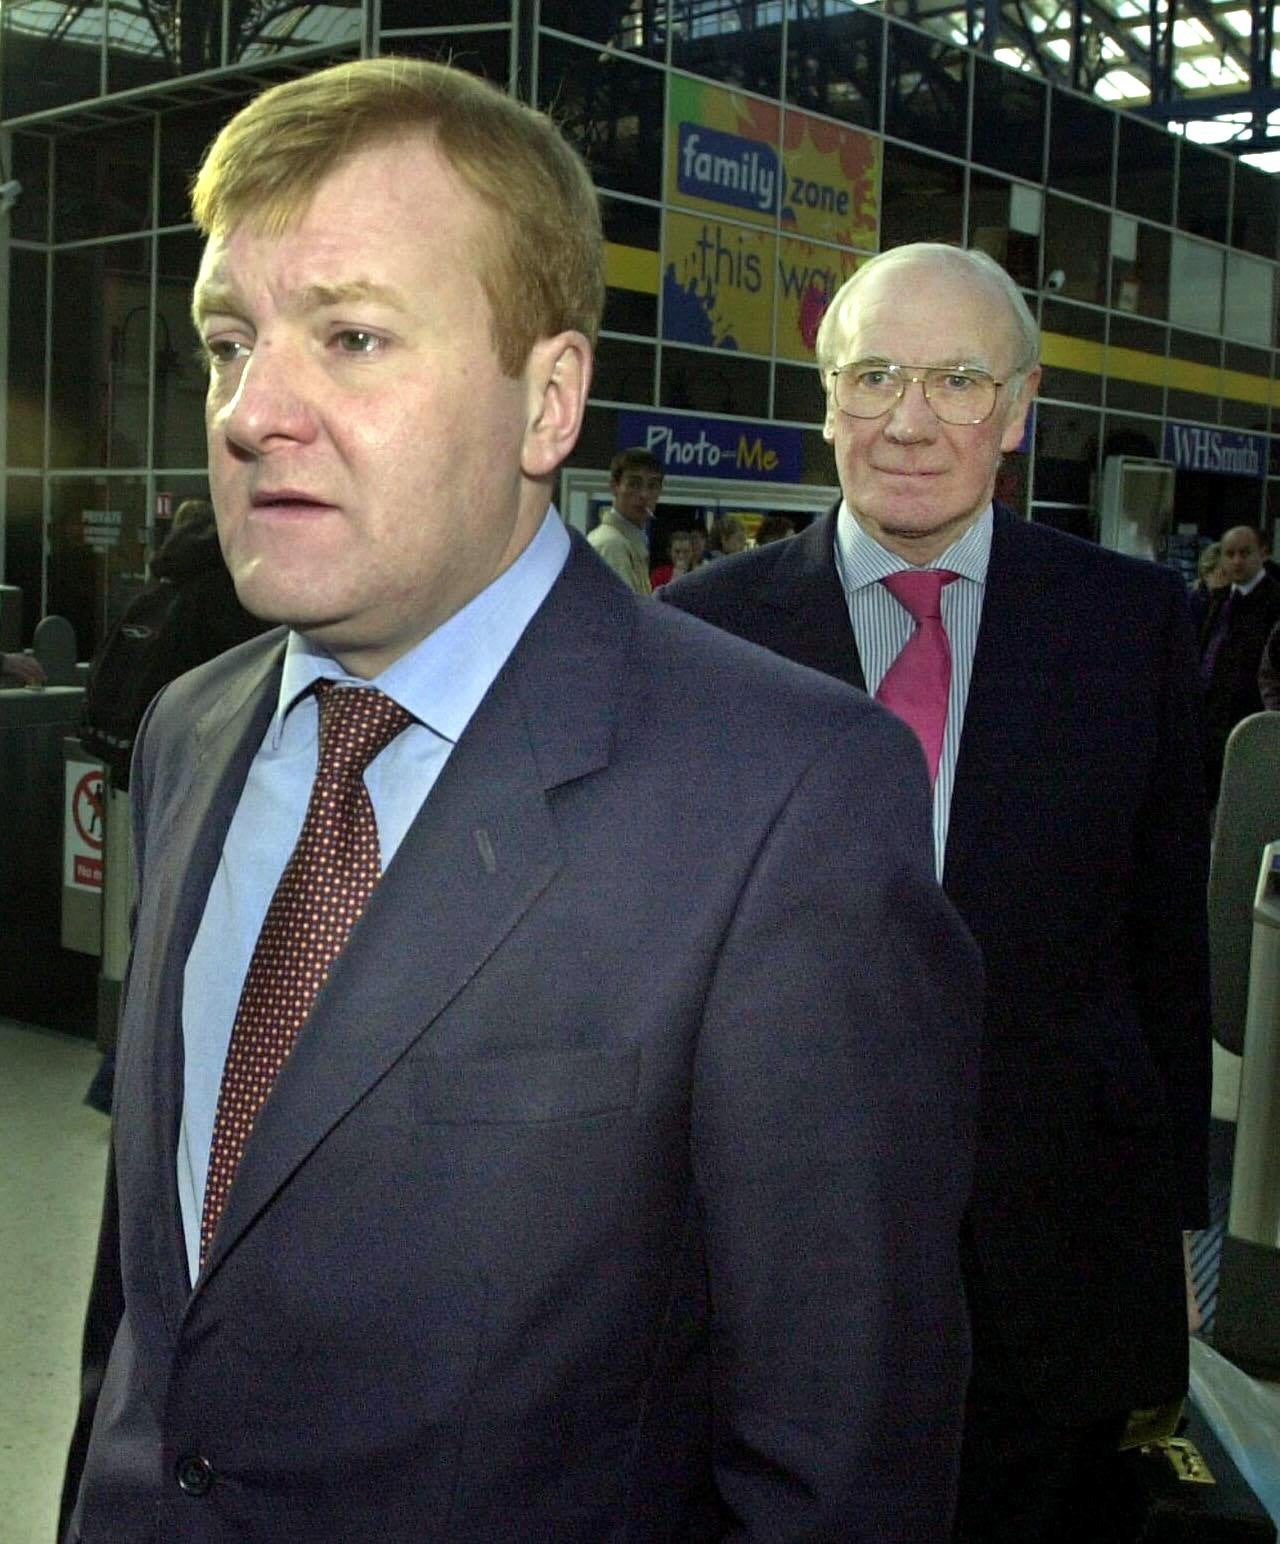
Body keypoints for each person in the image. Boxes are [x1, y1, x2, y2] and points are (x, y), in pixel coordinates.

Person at [61, 63, 983, 1544]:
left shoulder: (785, 803)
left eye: (352, 337)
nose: (250, 411)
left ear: (546, 399)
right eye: (227, 341)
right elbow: (151, 1309)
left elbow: (838, 1465)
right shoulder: (191, 729)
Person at [662, 242, 1212, 1544]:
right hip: (767, 1259)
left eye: (959, 380)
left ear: (1019, 411)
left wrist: (1173, 1242)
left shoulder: (1132, 627)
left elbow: (1164, 958)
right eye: (875, 377)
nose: (910, 421)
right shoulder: (701, 635)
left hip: (1051, 1267)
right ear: (825, 395)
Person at [1199, 524, 1280, 799]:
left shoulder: (1274, 603)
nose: (1236, 561)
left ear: (1263, 554)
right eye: (1229, 553)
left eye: (1245, 553)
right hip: (1211, 719)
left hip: (1251, 720)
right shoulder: (1218, 601)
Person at [586, 446, 663, 594]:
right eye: (634, 484)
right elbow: (622, 614)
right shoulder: (612, 545)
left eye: (652, 486)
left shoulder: (630, 542)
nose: (644, 495)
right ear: (614, 487)